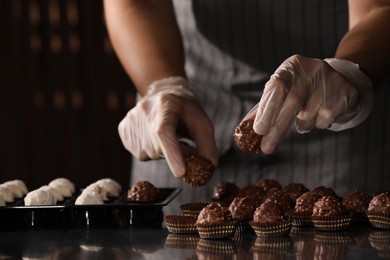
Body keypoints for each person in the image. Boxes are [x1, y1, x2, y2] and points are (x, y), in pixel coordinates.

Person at [103, 0, 390, 214]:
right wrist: (162, 85)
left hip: (332, 119)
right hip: (184, 126)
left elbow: (378, 8)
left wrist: (349, 72)